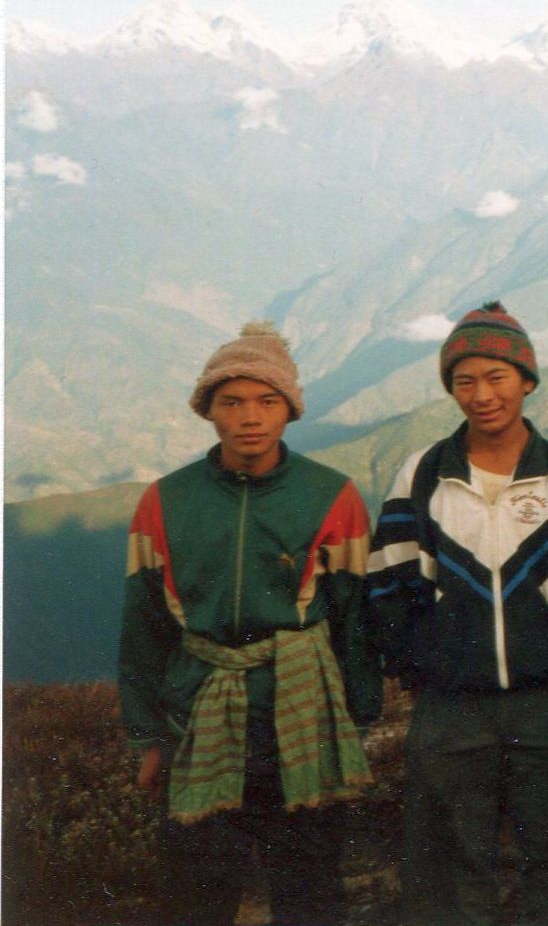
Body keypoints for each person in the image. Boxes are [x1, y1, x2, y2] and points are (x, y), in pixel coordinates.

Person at [118, 321, 380, 926]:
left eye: (267, 401)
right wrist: (146, 735)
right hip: (198, 713)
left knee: (310, 887)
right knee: (195, 890)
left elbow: (354, 621)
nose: (250, 417)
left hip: (301, 712)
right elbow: (143, 627)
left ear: (290, 408)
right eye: (231, 402)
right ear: (207, 410)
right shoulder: (165, 501)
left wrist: (358, 720)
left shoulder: (331, 496)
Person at [365, 301, 548, 926]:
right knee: (446, 867)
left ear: (527, 381)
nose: (482, 395)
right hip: (450, 706)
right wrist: (422, 662)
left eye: (497, 377)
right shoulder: (422, 475)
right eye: (464, 381)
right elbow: (389, 579)